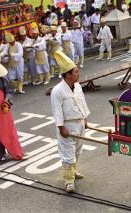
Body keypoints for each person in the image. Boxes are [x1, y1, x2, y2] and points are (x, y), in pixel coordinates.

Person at [51, 51, 90, 193]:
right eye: (75, 72)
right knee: (68, 153)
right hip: (67, 125)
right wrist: (61, 127)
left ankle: (73, 172)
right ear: (67, 74)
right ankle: (68, 181)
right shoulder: (57, 90)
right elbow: (57, 110)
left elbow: (82, 102)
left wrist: (85, 118)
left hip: (79, 123)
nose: (78, 74)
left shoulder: (78, 86)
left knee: (78, 150)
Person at [0, 61, 27, 161]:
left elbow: (10, 91)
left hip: (4, 108)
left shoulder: (3, 78)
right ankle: (1, 154)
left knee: (10, 130)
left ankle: (16, 151)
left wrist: (7, 98)